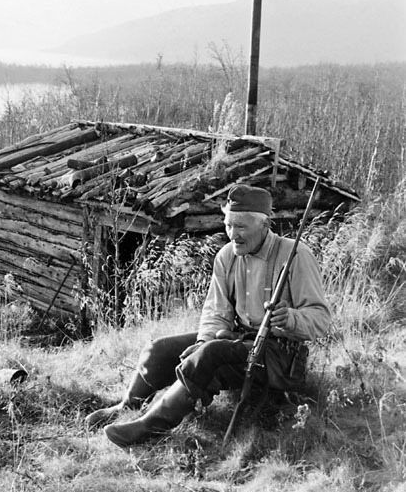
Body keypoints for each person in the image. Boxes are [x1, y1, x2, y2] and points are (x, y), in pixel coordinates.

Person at [85, 184, 331, 448]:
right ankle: (128, 405)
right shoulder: (227, 256)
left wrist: (291, 318)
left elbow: (321, 319)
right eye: (228, 225)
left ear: (265, 224)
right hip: (242, 342)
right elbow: (216, 311)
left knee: (211, 355)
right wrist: (202, 342)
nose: (233, 235)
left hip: (279, 355)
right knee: (160, 349)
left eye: (241, 227)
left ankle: (152, 425)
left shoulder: (295, 255)